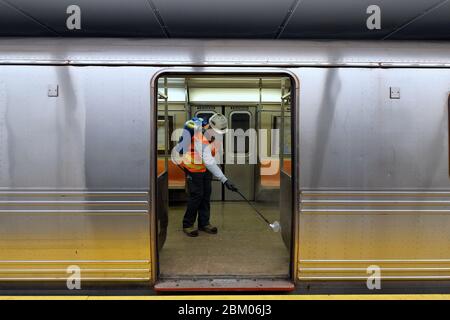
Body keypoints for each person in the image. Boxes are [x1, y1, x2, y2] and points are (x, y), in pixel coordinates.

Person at [174, 114, 237, 237]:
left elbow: (212, 156)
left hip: (206, 167)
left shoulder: (217, 135)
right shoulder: (196, 131)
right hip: (193, 167)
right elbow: (206, 159)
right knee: (196, 195)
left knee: (206, 194)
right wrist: (224, 179)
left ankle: (204, 223)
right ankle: (187, 224)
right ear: (209, 126)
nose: (219, 134)